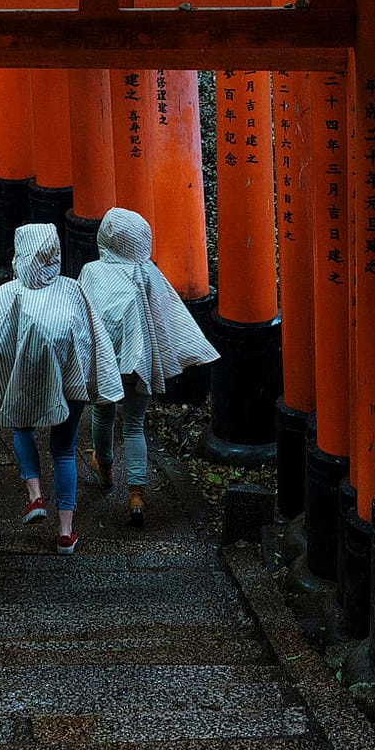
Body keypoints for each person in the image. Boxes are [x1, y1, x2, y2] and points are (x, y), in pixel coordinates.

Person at [0, 223, 123, 555]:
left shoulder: (8, 294)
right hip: (70, 381)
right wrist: (101, 380)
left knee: (21, 426)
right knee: (65, 450)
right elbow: (92, 339)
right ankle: (66, 532)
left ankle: (35, 494)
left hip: (26, 379)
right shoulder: (73, 290)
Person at [80, 206, 219, 527]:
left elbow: (81, 312)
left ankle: (105, 467)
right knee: (133, 425)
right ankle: (137, 496)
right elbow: (168, 317)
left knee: (102, 412)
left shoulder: (91, 271)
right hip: (137, 361)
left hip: (104, 361)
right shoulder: (147, 274)